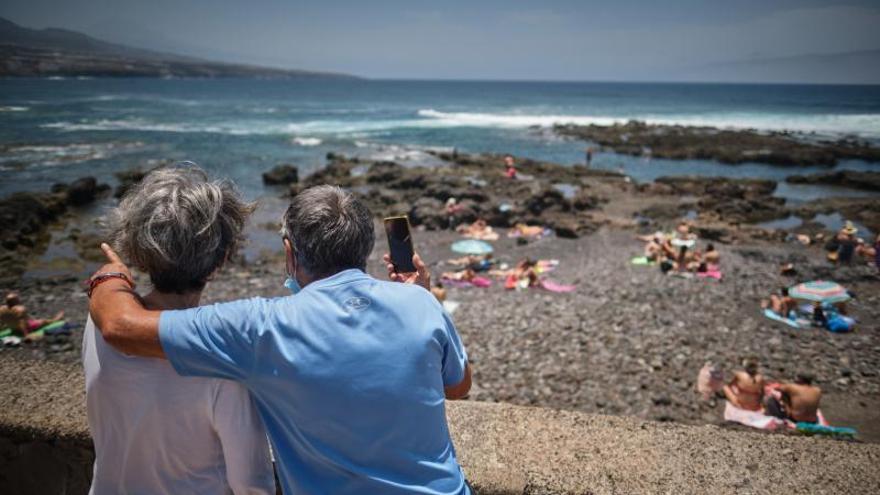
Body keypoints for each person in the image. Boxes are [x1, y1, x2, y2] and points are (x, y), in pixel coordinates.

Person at [87, 184, 474, 495]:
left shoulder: (259, 327)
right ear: (364, 247)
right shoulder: (422, 303)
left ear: (290, 252)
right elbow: (457, 387)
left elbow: (120, 327)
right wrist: (418, 294)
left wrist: (111, 275)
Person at [82, 166, 275, 494]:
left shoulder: (98, 321)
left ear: (140, 254)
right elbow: (251, 485)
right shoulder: (221, 360)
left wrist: (110, 278)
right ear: (221, 260)